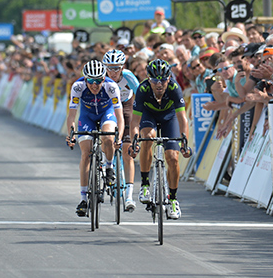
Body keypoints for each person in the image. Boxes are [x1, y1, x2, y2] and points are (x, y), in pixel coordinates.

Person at [128, 59, 192, 219]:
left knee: (172, 158)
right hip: (148, 116)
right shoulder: (142, 89)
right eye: (155, 80)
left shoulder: (174, 88)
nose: (159, 84)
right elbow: (135, 121)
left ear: (169, 78)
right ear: (148, 79)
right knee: (147, 138)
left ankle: (173, 199)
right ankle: (144, 184)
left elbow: (183, 119)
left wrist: (184, 143)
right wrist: (134, 141)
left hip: (169, 118)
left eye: (163, 80)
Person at [65, 60, 125, 217]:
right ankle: (83, 199)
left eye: (98, 80)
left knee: (108, 138)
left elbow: (120, 116)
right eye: (91, 80)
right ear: (85, 79)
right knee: (85, 154)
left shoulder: (111, 87)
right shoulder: (78, 86)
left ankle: (110, 166)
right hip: (87, 117)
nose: (95, 84)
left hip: (107, 113)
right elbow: (71, 115)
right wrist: (70, 133)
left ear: (104, 78)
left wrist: (119, 136)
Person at [102, 49, 140, 212]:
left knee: (127, 151)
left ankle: (129, 196)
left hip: (126, 105)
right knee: (107, 137)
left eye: (117, 68)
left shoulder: (128, 76)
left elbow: (141, 95)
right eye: (109, 68)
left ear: (122, 67)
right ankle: (106, 161)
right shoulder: (101, 76)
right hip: (107, 106)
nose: (113, 72)